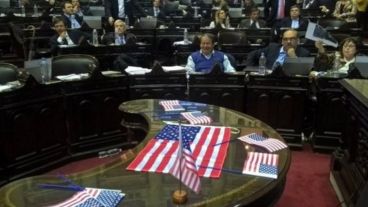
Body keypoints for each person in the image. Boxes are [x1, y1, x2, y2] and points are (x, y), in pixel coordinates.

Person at [246, 29, 310, 69]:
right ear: (282, 41)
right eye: (285, 39)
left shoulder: (304, 53)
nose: (288, 42)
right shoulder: (272, 48)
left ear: (298, 41)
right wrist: (250, 69)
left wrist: (293, 57)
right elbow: (252, 54)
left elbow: (303, 72)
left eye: (292, 39)